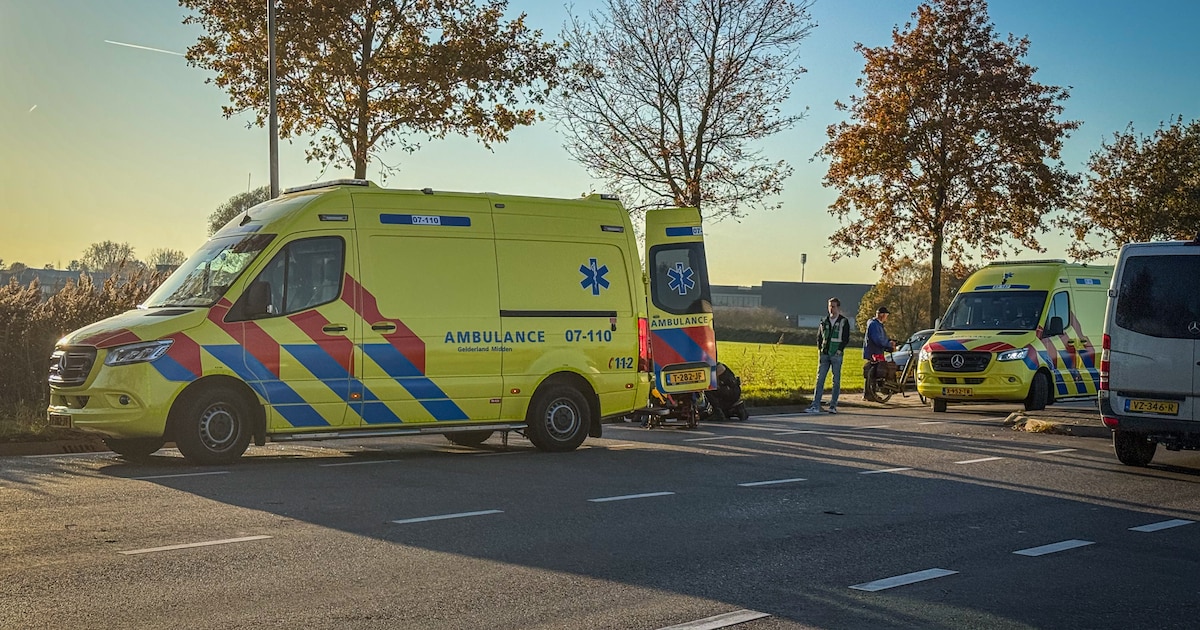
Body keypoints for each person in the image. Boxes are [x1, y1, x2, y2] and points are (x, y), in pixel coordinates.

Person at [807, 297, 851, 414]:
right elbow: (819, 337)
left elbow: (845, 338)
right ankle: (815, 405)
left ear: (838, 308)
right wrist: (820, 349)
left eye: (834, 306)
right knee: (819, 380)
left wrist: (839, 350)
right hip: (825, 354)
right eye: (830, 306)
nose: (831, 309)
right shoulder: (824, 320)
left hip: (836, 354)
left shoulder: (843, 322)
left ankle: (833, 405)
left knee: (836, 381)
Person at [863, 306, 897, 399]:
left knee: (872, 373)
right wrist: (889, 344)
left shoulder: (875, 324)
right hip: (874, 352)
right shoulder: (875, 325)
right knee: (874, 373)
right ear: (882, 315)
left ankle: (869, 393)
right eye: (886, 315)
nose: (886, 317)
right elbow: (878, 339)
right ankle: (870, 394)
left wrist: (888, 342)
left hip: (874, 351)